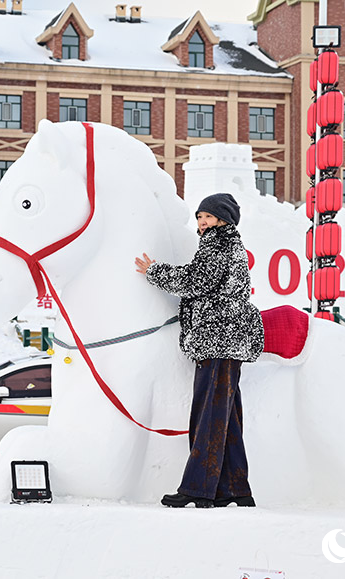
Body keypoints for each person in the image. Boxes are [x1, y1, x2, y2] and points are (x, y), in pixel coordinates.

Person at [135, 193, 264, 508]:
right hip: (228, 340)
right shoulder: (230, 245)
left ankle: (198, 488)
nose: (202, 223)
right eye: (199, 217)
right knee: (226, 418)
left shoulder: (217, 244)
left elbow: (197, 281)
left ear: (223, 220)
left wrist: (154, 272)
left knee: (207, 416)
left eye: (208, 216)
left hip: (218, 339)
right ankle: (234, 489)